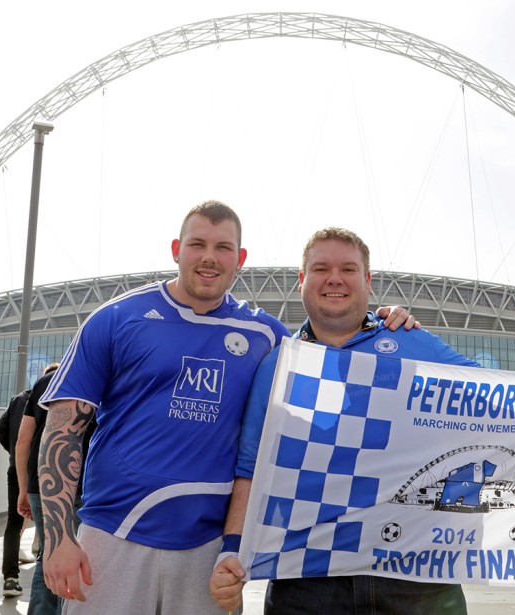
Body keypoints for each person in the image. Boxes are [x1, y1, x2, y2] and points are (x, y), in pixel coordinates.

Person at [210, 227, 515, 614]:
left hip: (418, 582)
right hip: (309, 582)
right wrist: (231, 553)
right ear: (301, 281)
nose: (335, 280)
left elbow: (513, 405)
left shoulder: (412, 343)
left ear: (368, 280)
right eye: (322, 269)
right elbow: (252, 470)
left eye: (348, 269)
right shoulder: (280, 366)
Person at [35, 202, 414, 614]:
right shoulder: (115, 318)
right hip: (112, 537)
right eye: (197, 244)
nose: (209, 257)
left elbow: (333, 365)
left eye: (223, 247)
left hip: (210, 553)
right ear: (177, 249)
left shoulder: (266, 335)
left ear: (240, 259)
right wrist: (57, 540)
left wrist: (384, 323)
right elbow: (62, 430)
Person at [16, 362, 61, 614]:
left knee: (48, 553)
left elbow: (23, 439)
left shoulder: (43, 382)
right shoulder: (95, 375)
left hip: (38, 481)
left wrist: (23, 488)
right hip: (79, 485)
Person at [0, 387, 32, 597]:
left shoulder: (18, 399)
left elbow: (1, 429)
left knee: (13, 522)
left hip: (16, 469)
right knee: (50, 521)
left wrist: (15, 454)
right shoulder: (52, 396)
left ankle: (10, 579)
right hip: (41, 470)